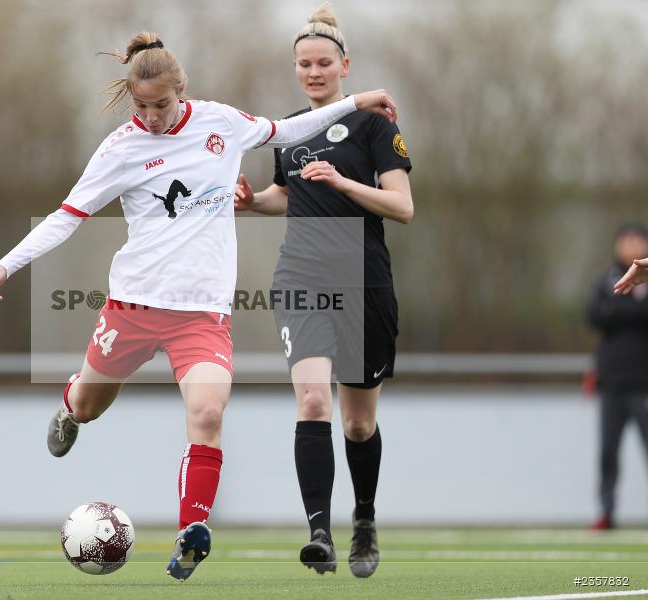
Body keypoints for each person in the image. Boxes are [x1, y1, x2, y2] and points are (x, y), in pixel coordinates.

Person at [0, 31, 399, 581]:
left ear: (182, 91)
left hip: (203, 315)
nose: (150, 116)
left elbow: (285, 130)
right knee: (90, 405)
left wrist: (357, 101)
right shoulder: (121, 148)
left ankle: (190, 533)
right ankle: (70, 404)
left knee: (208, 414)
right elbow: (67, 217)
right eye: (141, 106)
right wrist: (4, 266)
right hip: (132, 307)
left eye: (161, 105)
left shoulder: (220, 123)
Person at [235, 3, 412, 578]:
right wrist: (252, 201)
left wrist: (342, 180)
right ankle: (319, 533)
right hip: (302, 278)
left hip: (364, 280)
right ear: (295, 70)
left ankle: (364, 519)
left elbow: (402, 207)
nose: (313, 72)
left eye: (323, 63)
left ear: (344, 66)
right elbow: (287, 196)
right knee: (314, 400)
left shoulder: (376, 125)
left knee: (358, 423)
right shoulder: (289, 132)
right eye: (304, 64)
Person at [586, 223, 648, 530]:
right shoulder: (604, 280)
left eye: (638, 241)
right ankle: (607, 512)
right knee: (608, 453)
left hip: (644, 384)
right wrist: (630, 309)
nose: (631, 247)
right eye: (625, 241)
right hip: (611, 383)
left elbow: (616, 313)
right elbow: (594, 315)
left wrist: (618, 310)